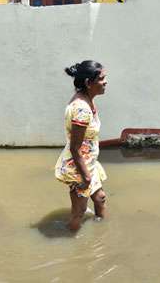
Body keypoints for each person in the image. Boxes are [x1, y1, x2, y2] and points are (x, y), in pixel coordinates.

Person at [55, 60, 108, 231]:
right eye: (101, 78)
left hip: (89, 162)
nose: (105, 82)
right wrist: (85, 178)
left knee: (100, 198)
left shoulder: (87, 99)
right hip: (80, 167)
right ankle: (71, 243)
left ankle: (102, 232)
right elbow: (75, 148)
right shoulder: (81, 110)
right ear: (88, 83)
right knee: (79, 212)